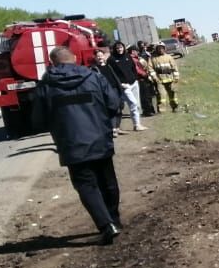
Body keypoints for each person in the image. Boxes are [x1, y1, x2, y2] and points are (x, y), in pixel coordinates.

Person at [33, 45, 123, 244]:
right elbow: (114, 103)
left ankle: (107, 225)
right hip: (100, 138)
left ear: (52, 63)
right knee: (107, 180)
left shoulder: (46, 85)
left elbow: (38, 120)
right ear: (74, 58)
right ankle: (114, 219)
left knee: (86, 185)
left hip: (71, 144)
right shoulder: (94, 76)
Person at [107, 41, 147, 131]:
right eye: (117, 48)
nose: (119, 49)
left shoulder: (128, 57)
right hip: (124, 86)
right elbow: (112, 74)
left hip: (134, 83)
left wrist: (135, 78)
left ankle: (137, 124)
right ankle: (136, 124)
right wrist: (120, 84)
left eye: (120, 47)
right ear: (114, 49)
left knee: (137, 104)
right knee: (133, 103)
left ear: (123, 48)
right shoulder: (111, 60)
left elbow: (133, 68)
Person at [93, 47, 125, 136]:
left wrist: (120, 86)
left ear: (104, 56)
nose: (100, 58)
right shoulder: (94, 69)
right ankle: (113, 129)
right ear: (95, 58)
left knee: (119, 108)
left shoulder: (109, 66)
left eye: (101, 56)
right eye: (97, 56)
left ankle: (117, 128)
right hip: (106, 92)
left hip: (116, 89)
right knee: (111, 109)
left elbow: (116, 77)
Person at [149, 43, 180, 111]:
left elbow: (174, 67)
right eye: (159, 48)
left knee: (173, 94)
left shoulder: (169, 57)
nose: (160, 50)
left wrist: (176, 77)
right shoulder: (152, 58)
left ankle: (175, 107)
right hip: (159, 80)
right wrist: (155, 78)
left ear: (164, 48)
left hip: (170, 79)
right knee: (161, 95)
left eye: (162, 48)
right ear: (156, 49)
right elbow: (150, 69)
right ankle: (161, 110)